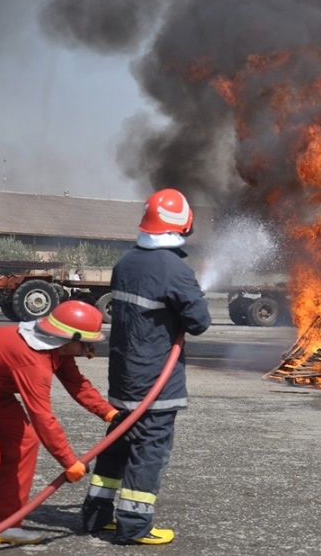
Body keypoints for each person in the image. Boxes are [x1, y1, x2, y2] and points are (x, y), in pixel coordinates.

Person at [0, 301, 120, 546]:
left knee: (25, 442)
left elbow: (77, 384)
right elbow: (42, 416)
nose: (88, 348)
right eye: (85, 342)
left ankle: (2, 524)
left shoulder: (56, 348)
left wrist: (110, 413)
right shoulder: (33, 361)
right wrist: (69, 461)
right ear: (69, 336)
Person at [81, 188, 211, 545]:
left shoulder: (125, 263)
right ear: (183, 226)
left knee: (117, 445)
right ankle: (134, 525)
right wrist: (195, 296)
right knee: (149, 450)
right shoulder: (175, 269)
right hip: (156, 382)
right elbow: (199, 322)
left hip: (123, 377)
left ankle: (95, 516)